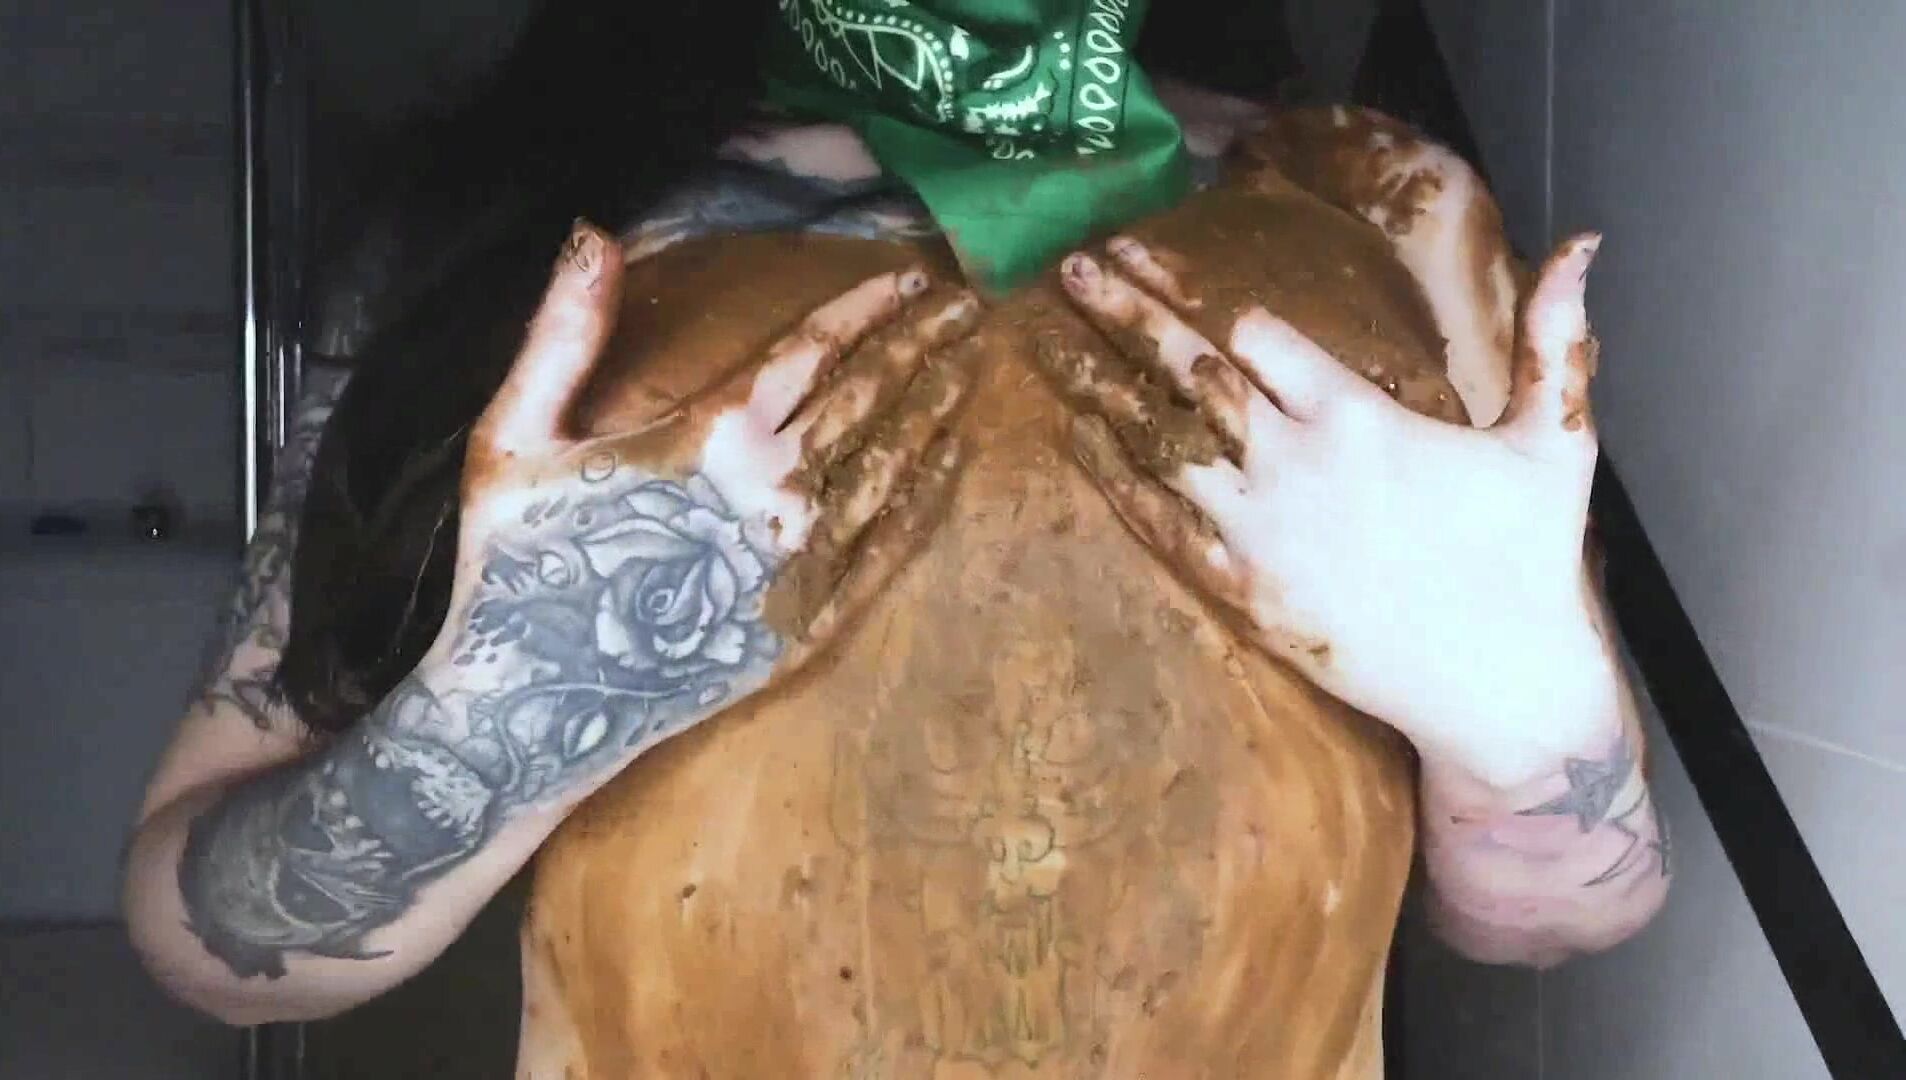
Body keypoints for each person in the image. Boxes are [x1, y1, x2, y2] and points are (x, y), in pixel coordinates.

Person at [122, 0, 1668, 1063]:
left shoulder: (1382, 212)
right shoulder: (512, 236)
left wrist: (1513, 721)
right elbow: (204, 947)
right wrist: (494, 727)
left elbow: (1554, 922)